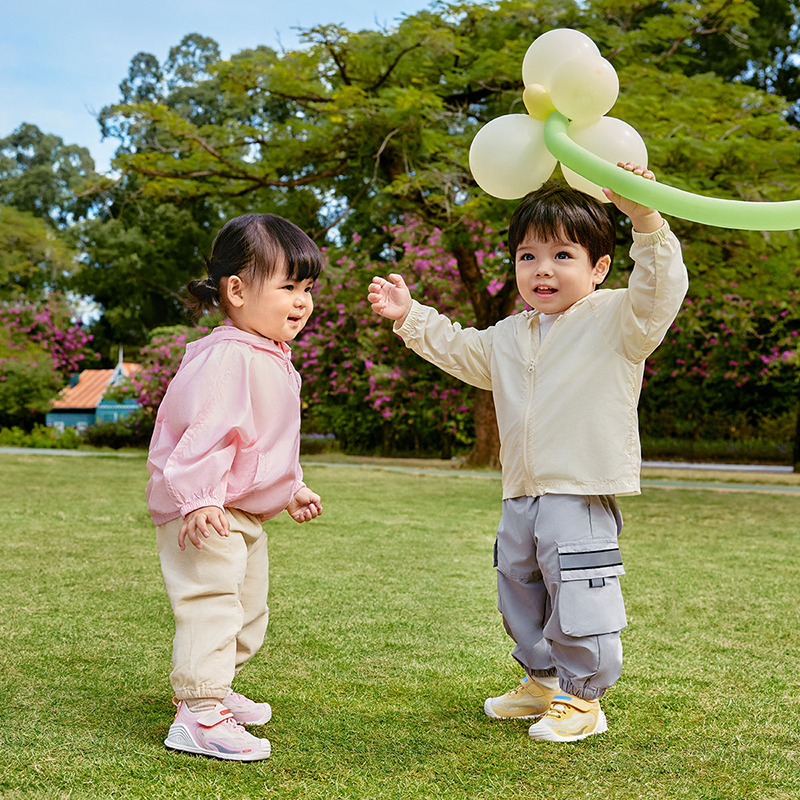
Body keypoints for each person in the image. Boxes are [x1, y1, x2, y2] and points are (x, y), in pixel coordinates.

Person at [367, 164, 688, 742]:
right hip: (521, 489)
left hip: (579, 485)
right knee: (517, 582)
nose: (543, 269)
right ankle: (542, 681)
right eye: (528, 256)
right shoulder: (512, 334)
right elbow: (462, 350)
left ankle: (585, 697)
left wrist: (644, 215)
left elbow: (662, 286)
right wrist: (409, 317)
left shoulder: (620, 318)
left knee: (580, 589)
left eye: (563, 255)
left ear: (600, 268)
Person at [146, 213, 324, 761]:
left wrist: (288, 487)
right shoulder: (227, 355)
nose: (301, 301)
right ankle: (199, 714)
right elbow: (204, 431)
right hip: (205, 507)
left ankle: (214, 689)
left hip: (241, 509)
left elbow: (260, 441)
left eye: (308, 289)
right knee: (213, 603)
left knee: (247, 610)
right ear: (238, 289)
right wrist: (198, 499)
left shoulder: (267, 354)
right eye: (288, 286)